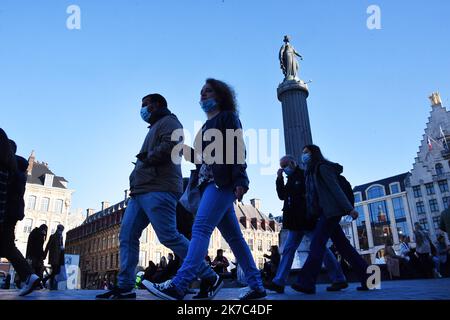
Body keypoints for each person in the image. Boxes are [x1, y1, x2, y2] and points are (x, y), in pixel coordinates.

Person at [143, 79, 267, 300]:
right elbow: (202, 160)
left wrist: (241, 179)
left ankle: (179, 284)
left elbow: (238, 148)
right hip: (207, 183)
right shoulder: (205, 126)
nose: (203, 96)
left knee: (200, 229)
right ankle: (256, 285)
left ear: (220, 95)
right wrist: (183, 150)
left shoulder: (228, 117)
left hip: (221, 182)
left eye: (208, 92)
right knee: (235, 238)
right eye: (201, 93)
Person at [96, 93, 219, 300]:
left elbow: (172, 146)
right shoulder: (155, 126)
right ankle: (125, 286)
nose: (143, 109)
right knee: (127, 236)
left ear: (158, 104)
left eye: (146, 105)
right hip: (141, 190)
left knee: (169, 236)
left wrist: (146, 159)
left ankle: (209, 275)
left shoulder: (170, 122)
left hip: (159, 188)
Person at [292, 145, 370, 294]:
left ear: (314, 153)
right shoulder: (310, 172)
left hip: (331, 213)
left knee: (317, 244)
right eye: (302, 153)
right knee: (344, 247)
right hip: (324, 213)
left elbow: (336, 189)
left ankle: (306, 282)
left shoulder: (322, 168)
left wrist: (349, 209)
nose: (303, 155)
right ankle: (369, 278)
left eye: (306, 152)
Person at [265, 155, 348, 294]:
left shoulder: (304, 175)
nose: (284, 169)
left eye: (285, 165)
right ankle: (279, 281)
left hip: (306, 220)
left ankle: (339, 278)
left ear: (293, 162)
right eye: (282, 166)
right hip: (294, 222)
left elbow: (310, 196)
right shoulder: (290, 179)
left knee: (320, 248)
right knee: (289, 250)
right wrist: (279, 179)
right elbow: (282, 196)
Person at [0, 134, 41, 297]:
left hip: (6, 212)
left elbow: (4, 193)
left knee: (8, 247)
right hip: (13, 212)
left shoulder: (9, 168)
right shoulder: (18, 168)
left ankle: (30, 276)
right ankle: (30, 276)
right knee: (8, 247)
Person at [43, 224, 65, 290]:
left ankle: (47, 280)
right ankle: (51, 284)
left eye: (62, 230)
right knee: (55, 271)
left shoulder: (61, 237)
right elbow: (48, 246)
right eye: (60, 229)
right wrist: (44, 255)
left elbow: (61, 248)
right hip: (54, 257)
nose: (61, 231)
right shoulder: (53, 236)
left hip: (59, 257)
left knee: (56, 271)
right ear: (58, 229)